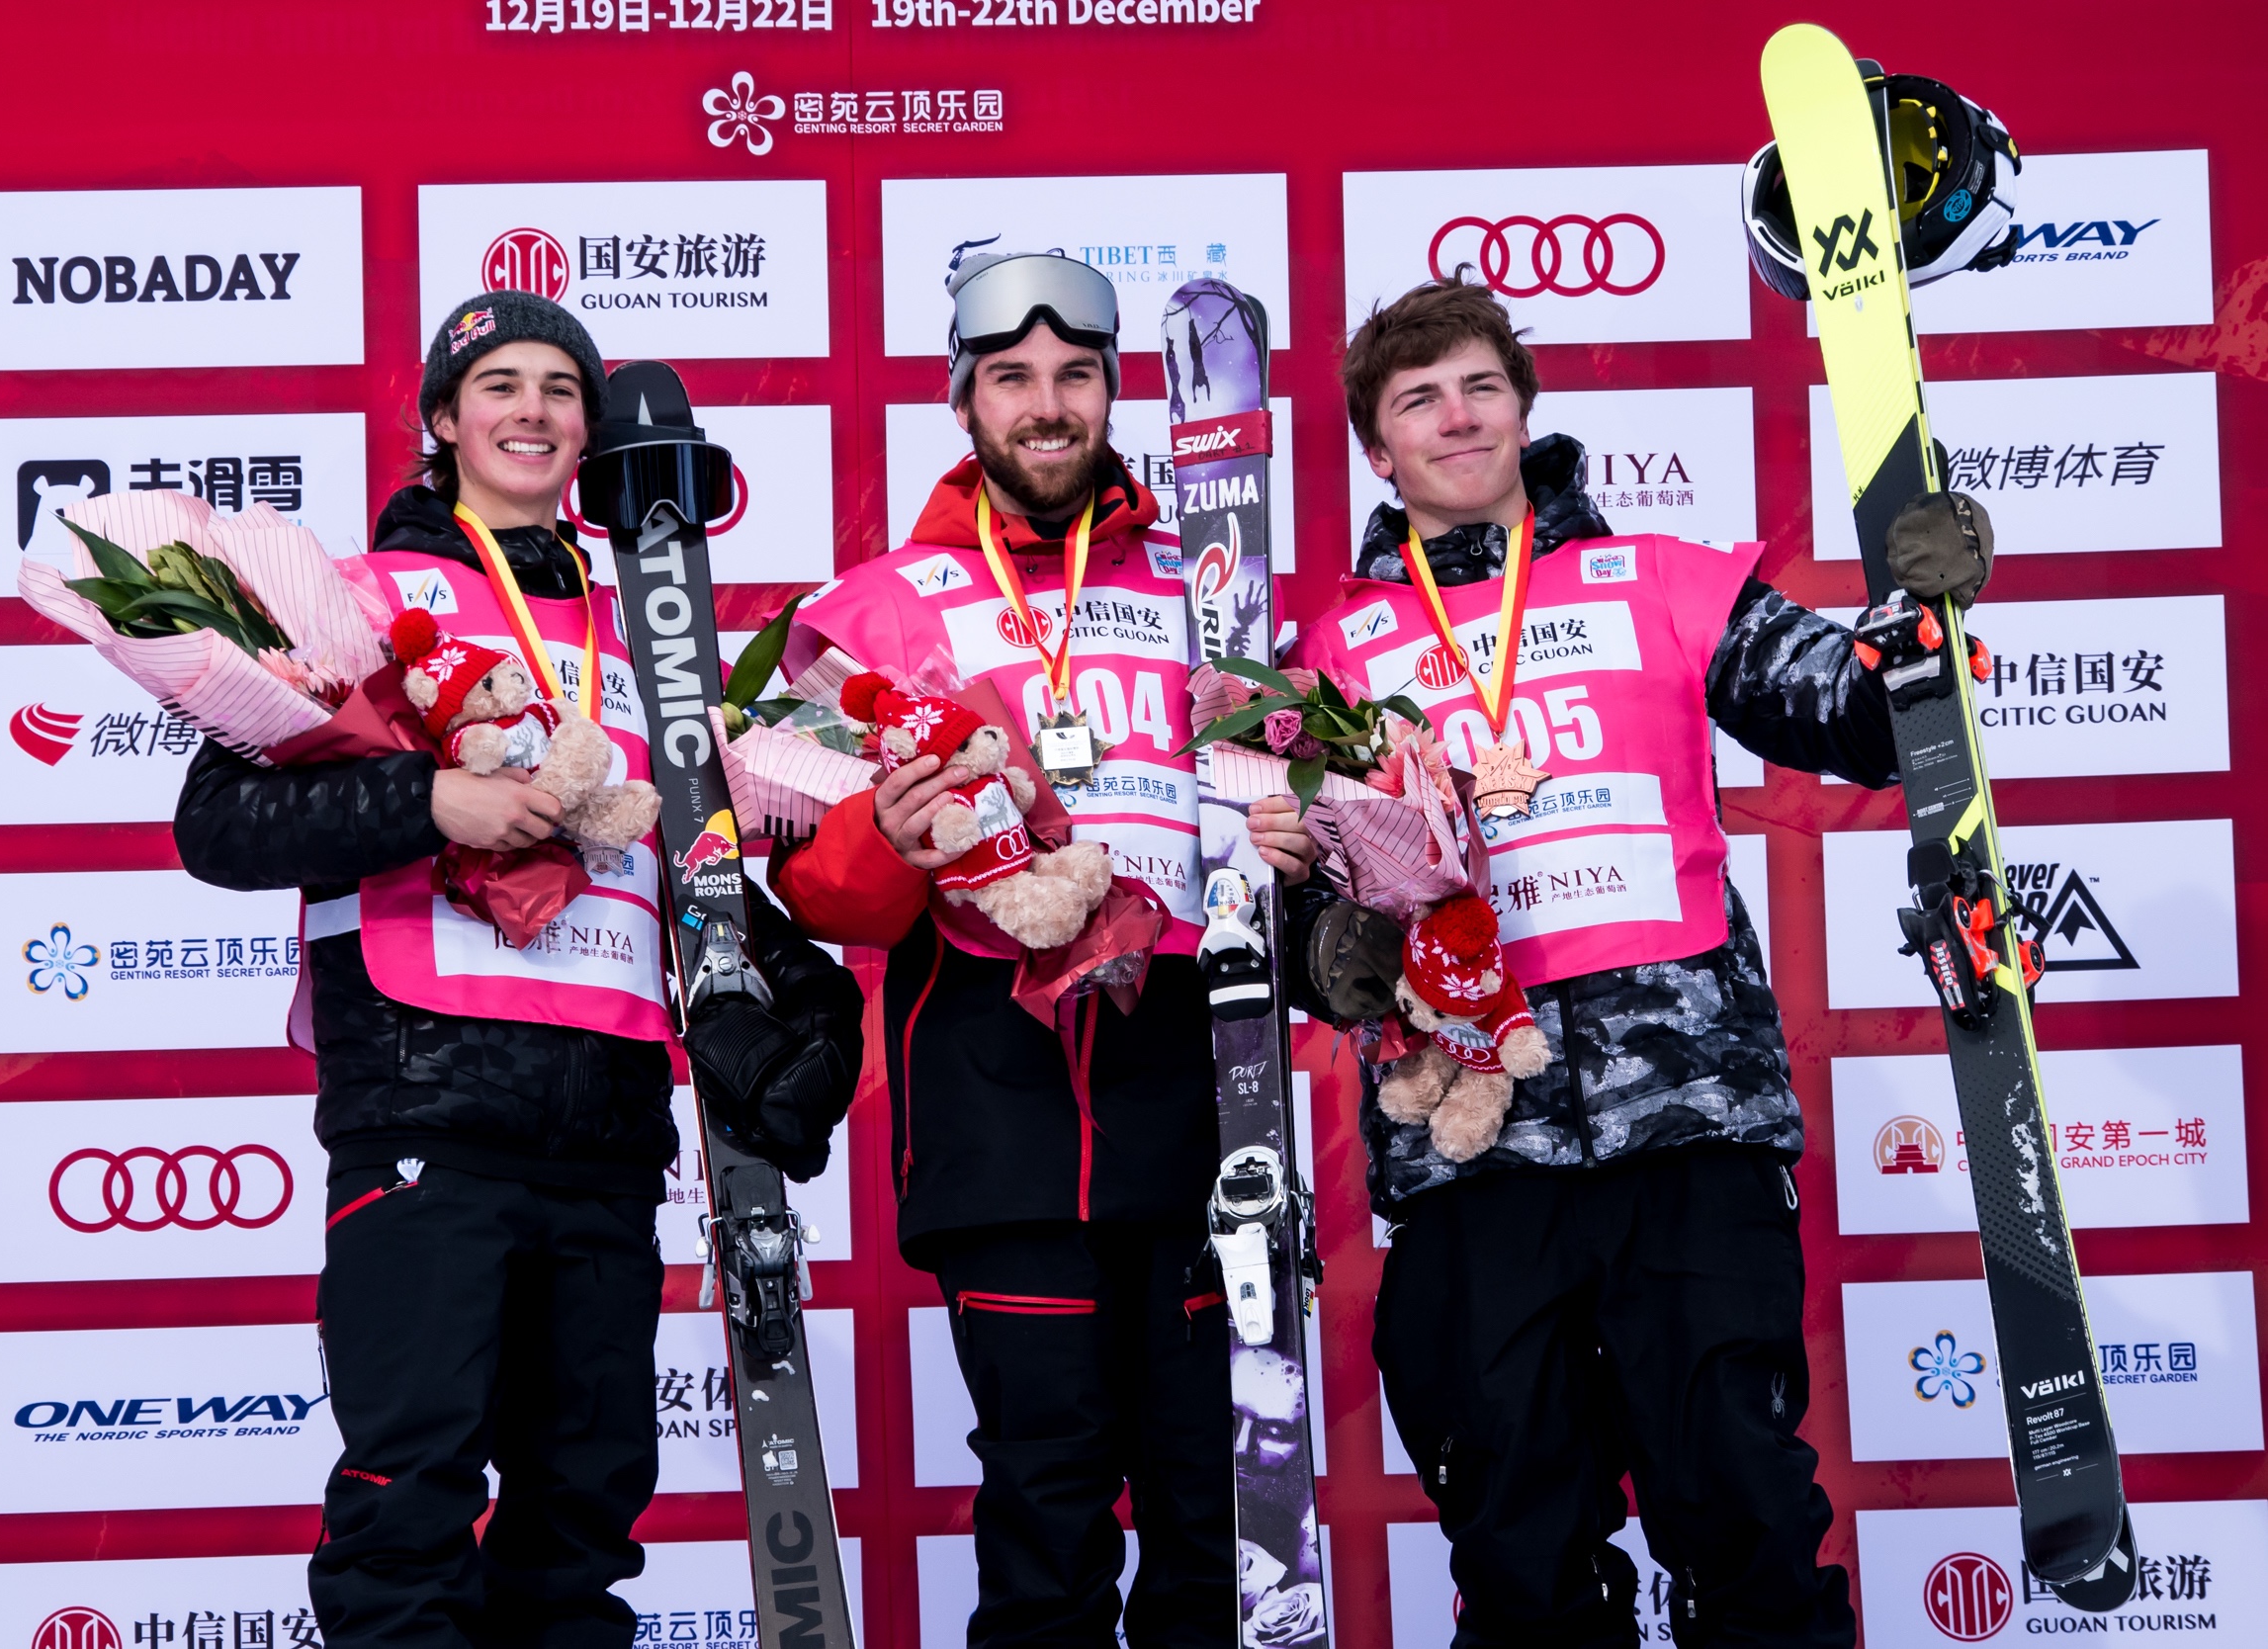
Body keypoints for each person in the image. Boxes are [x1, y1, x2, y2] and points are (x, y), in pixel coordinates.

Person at [1285, 276, 1993, 1648]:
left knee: (1747, 1521)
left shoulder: (1660, 578)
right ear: (1379, 450)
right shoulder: (1329, 658)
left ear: (1525, 407)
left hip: (1689, 1129)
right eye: (1418, 399)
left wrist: (1923, 621)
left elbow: (1849, 712)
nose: (1458, 416)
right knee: (1521, 1552)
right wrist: (1330, 924)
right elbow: (1316, 944)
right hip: (1474, 1158)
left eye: (1481, 385)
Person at [173, 291, 863, 1649]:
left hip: (607, 1131)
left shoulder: (643, 638)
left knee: (583, 1519)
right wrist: (426, 806)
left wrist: (795, 990)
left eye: (561, 389)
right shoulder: (358, 599)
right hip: (427, 1114)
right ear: (444, 419)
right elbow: (220, 825)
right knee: (409, 1500)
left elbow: (682, 863)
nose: (534, 411)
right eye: (500, 385)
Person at [767, 251, 1319, 1647]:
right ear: (965, 404)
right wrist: (890, 835)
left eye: (1076, 375)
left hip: (1199, 1105)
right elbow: (828, 899)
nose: (1047, 404)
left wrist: (1312, 820)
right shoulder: (870, 614)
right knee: (1045, 1516)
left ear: (1114, 392)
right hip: (998, 1114)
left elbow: (1302, 822)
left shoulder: (1221, 591)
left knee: (1218, 1526)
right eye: (1013, 378)